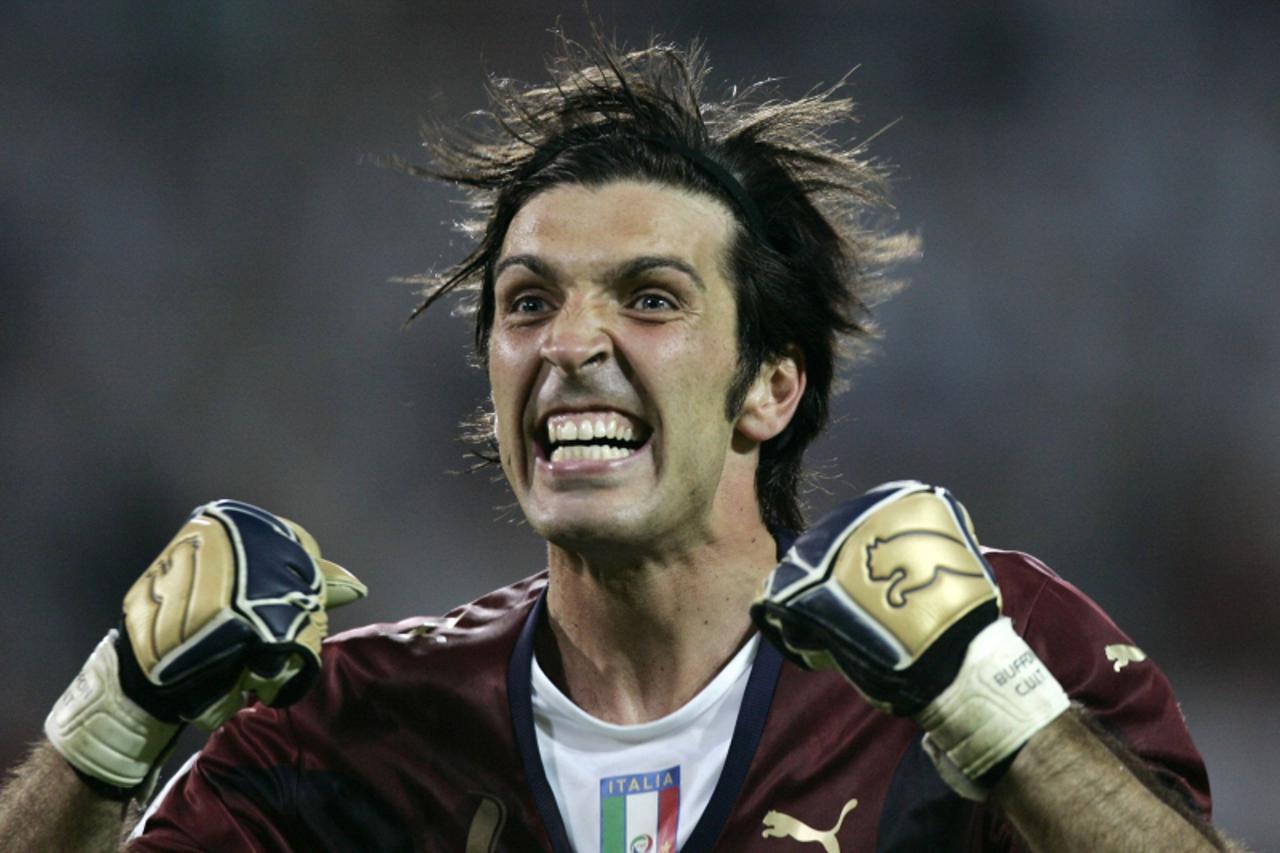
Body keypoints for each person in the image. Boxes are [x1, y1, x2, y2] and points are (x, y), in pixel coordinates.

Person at [0, 35, 1234, 852]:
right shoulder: (354, 729)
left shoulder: (994, 642)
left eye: (649, 298)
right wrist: (111, 712)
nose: (569, 342)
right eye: (527, 302)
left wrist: (990, 699)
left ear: (769, 389)